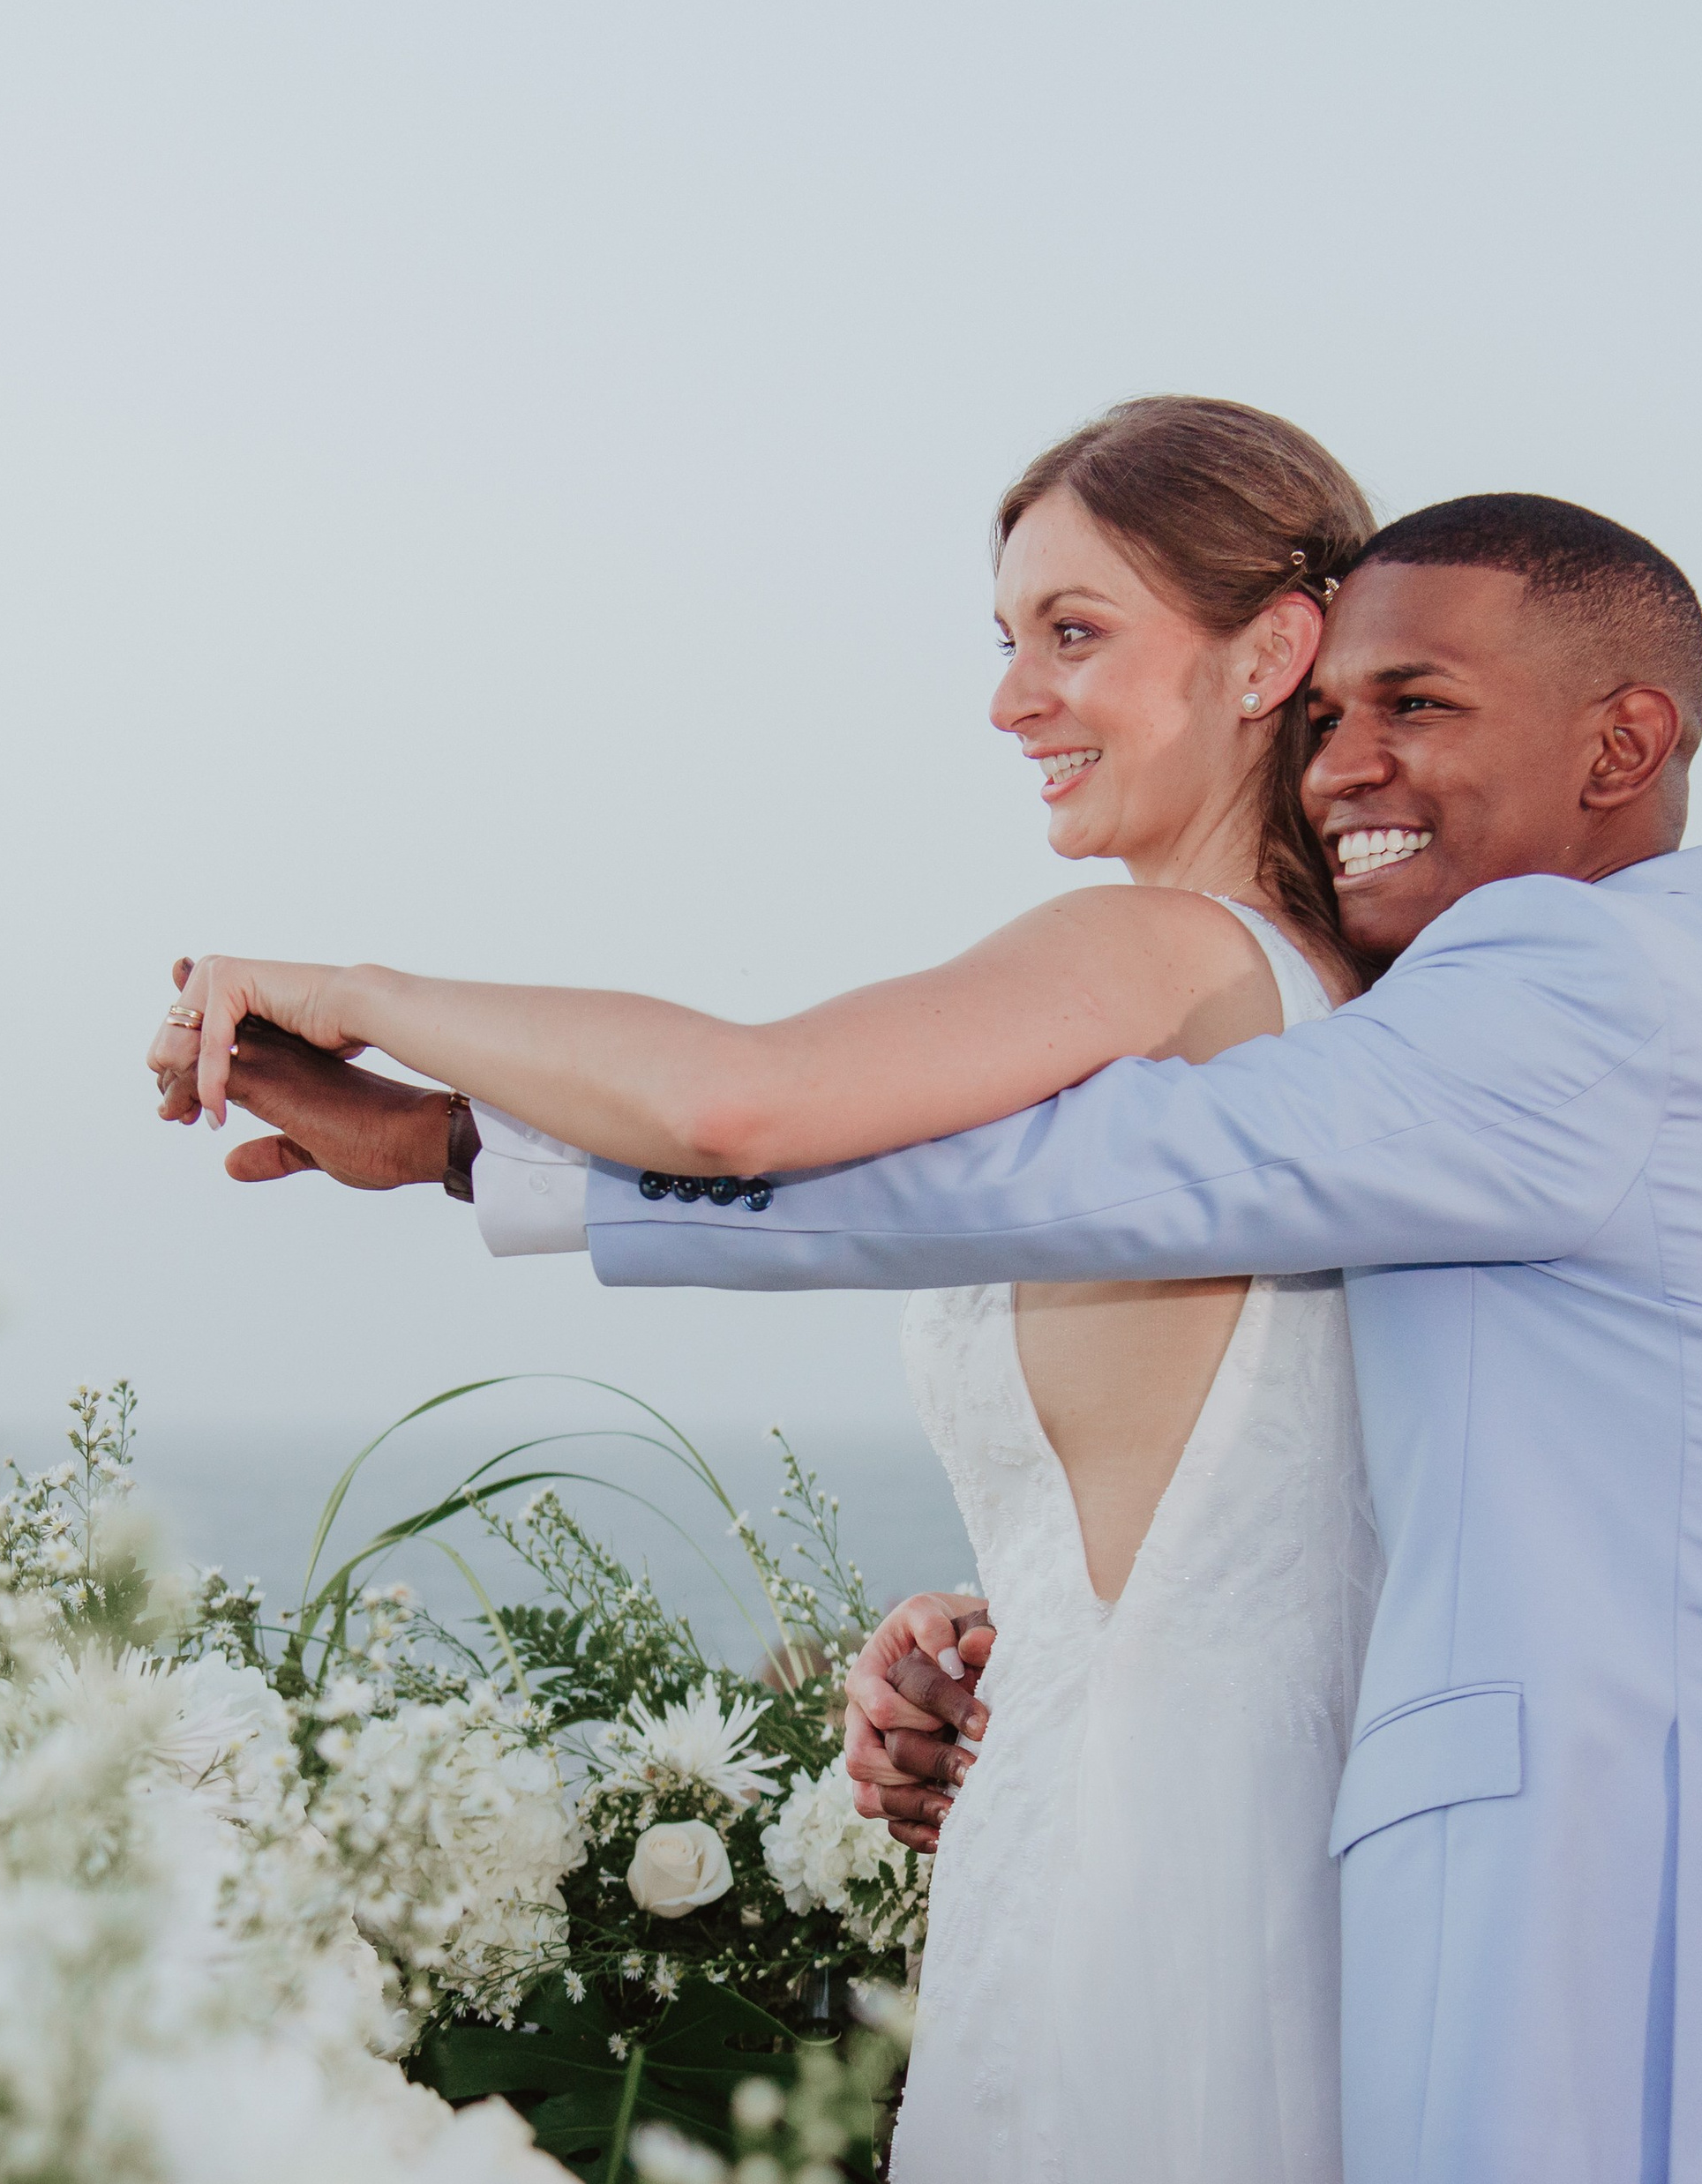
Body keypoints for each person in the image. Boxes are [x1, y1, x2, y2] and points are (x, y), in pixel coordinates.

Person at [158, 490, 1702, 2184]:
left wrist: (424, 1083)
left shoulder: (1537, 972)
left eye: (1075, 631)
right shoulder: (1384, 1016)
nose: (1013, 698)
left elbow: (858, 1134)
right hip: (1264, 1836)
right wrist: (1040, 1610)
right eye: (1343, 714)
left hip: (1322, 1869)